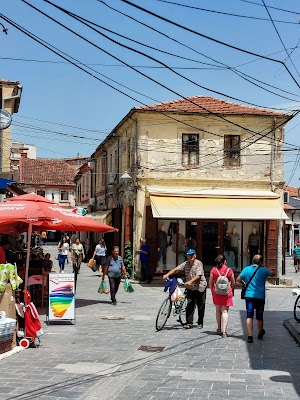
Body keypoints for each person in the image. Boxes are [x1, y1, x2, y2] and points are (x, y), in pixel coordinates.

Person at [163, 248, 207, 329]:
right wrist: (167, 274)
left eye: (192, 255)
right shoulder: (186, 264)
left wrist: (190, 281)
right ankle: (189, 323)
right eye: (189, 255)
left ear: (195, 255)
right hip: (190, 288)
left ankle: (200, 322)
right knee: (190, 304)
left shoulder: (198, 263)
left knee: (200, 305)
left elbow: (198, 275)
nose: (191, 256)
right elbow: (176, 269)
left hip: (200, 287)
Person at [236, 254, 274, 344]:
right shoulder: (263, 270)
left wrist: (243, 283)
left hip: (249, 296)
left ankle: (250, 336)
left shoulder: (246, 269)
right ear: (260, 262)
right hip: (260, 296)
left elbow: (237, 279)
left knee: (249, 315)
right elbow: (273, 273)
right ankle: (260, 333)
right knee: (259, 316)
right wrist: (264, 266)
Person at [209, 255, 235, 338]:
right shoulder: (229, 270)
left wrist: (212, 290)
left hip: (217, 292)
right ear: (225, 261)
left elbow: (210, 282)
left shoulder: (214, 270)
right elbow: (233, 282)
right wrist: (232, 290)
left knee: (218, 310)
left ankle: (219, 328)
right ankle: (224, 331)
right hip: (227, 292)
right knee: (225, 311)